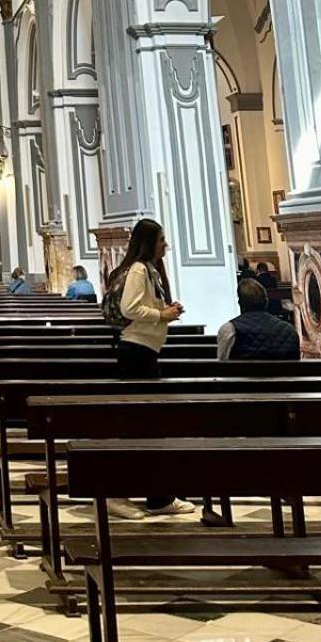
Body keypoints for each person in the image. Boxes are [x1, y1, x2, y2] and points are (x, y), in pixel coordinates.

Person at [107, 218, 192, 516]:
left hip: (144, 351)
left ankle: (158, 496)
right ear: (148, 243)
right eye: (161, 240)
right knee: (139, 427)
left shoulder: (150, 270)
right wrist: (161, 314)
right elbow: (130, 308)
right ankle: (119, 495)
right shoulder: (140, 269)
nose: (165, 245)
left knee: (145, 426)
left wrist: (164, 312)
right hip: (136, 352)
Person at [216, 279, 300, 360]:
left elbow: (222, 364)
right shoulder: (289, 330)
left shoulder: (229, 330)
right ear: (266, 301)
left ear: (240, 303)